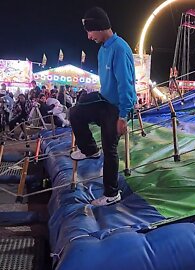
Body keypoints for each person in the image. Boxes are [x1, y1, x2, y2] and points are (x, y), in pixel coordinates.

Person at [70, 6, 136, 206]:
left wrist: (123, 116)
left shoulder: (120, 48)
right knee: (75, 111)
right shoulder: (102, 50)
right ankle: (90, 149)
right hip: (104, 99)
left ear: (99, 28)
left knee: (110, 148)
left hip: (117, 107)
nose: (89, 37)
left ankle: (111, 193)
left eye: (90, 31)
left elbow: (126, 84)